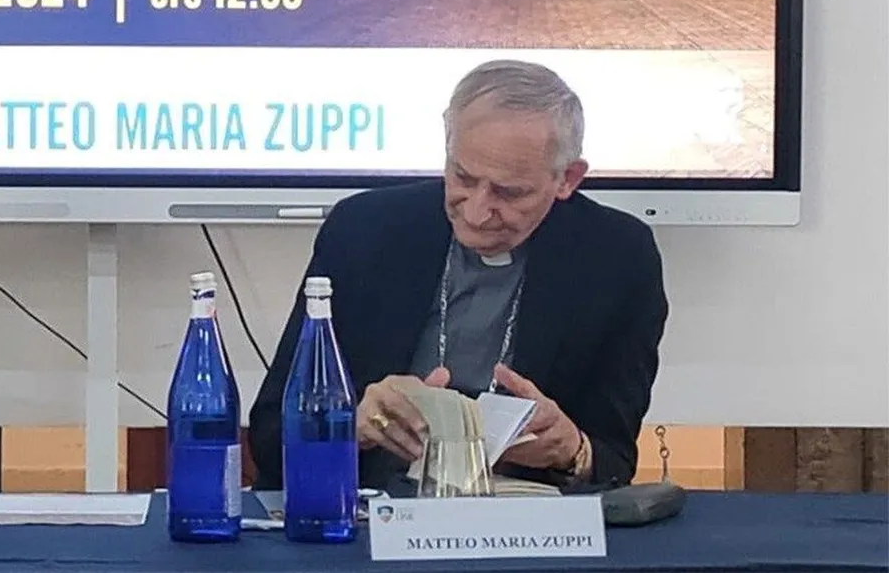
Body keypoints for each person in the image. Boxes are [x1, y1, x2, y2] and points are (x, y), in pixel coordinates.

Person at [247, 59, 668, 492]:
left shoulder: (618, 258)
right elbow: (270, 436)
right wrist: (349, 427)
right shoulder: (364, 231)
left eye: (509, 193)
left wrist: (571, 449)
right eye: (463, 178)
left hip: (524, 518)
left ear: (567, 179)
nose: (477, 212)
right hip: (367, 509)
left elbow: (613, 461)